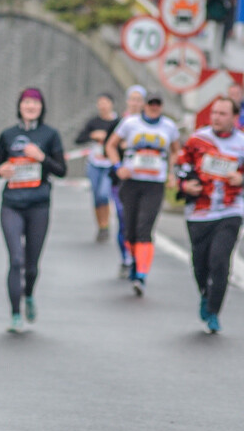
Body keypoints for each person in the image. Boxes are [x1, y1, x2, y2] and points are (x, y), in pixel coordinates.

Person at [176, 97, 244, 334]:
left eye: (223, 114)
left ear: (234, 118)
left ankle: (214, 311)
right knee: (200, 264)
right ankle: (205, 295)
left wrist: (242, 179)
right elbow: (181, 167)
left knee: (219, 261)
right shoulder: (198, 139)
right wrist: (184, 186)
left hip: (230, 210)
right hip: (199, 212)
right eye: (214, 113)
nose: (216, 117)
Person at [0, 87, 66, 333]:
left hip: (39, 205)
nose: (31, 106)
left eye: (35, 103)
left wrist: (41, 157)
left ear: (42, 107)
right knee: (16, 260)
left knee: (31, 265)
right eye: (26, 102)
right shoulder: (7, 134)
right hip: (12, 204)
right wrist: (0, 170)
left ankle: (30, 295)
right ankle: (15, 314)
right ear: (20, 106)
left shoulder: (50, 135)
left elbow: (61, 170)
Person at [105, 91, 181, 296]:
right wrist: (118, 166)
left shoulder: (169, 127)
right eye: (150, 104)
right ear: (144, 106)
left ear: (162, 106)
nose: (154, 108)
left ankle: (141, 274)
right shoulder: (130, 123)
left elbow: (175, 151)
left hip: (154, 184)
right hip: (131, 181)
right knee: (129, 230)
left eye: (158, 104)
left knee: (144, 228)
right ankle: (135, 261)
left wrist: (172, 172)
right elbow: (110, 145)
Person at [111, 85, 146, 277]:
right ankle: (126, 257)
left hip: (144, 180)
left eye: (138, 99)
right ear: (127, 101)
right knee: (123, 219)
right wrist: (118, 165)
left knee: (140, 222)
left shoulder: (151, 125)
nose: (135, 103)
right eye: (132, 99)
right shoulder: (119, 123)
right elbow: (109, 146)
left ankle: (137, 258)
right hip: (121, 181)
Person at [75, 92, 118, 242]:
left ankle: (106, 224)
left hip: (109, 164)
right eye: (100, 103)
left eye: (106, 102)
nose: (103, 106)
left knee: (103, 194)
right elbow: (79, 139)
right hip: (94, 163)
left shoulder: (118, 122)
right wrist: (93, 135)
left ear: (111, 104)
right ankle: (101, 226)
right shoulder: (93, 122)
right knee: (96, 197)